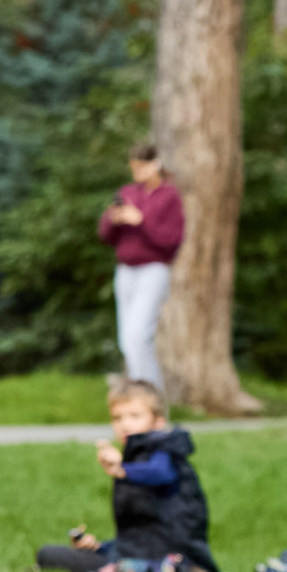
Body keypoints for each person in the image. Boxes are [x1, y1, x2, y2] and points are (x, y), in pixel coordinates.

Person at [33, 379, 219, 572]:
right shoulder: (134, 459)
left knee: (52, 555)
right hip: (138, 550)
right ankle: (132, 568)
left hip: (175, 552)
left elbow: (161, 473)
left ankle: (170, 570)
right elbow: (140, 532)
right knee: (48, 554)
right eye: (117, 418)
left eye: (135, 416)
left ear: (158, 421)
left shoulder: (165, 450)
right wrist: (101, 547)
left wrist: (123, 469)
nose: (125, 424)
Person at [97, 143, 183, 391]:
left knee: (137, 337)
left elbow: (171, 241)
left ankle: (150, 398)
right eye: (133, 167)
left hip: (153, 270)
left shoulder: (169, 196)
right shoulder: (127, 192)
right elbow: (105, 235)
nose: (137, 172)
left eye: (141, 166)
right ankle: (144, 396)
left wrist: (142, 221)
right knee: (127, 341)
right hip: (125, 272)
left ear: (155, 164)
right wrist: (114, 220)